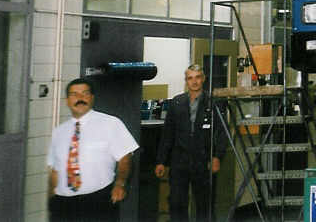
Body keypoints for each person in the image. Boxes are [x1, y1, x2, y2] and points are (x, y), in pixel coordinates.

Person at [47, 78, 139, 222]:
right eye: (74, 94)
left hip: (97, 201)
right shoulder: (58, 132)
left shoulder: (111, 123)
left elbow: (125, 157)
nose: (80, 98)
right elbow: (55, 170)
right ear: (67, 100)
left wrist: (120, 184)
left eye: (85, 93)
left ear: (92, 98)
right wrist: (51, 198)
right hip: (63, 204)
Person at [155, 64, 229, 221]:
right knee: (176, 203)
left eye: (197, 77)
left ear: (203, 79)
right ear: (186, 81)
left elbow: (223, 132)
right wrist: (161, 161)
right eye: (190, 78)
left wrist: (217, 157)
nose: (194, 81)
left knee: (204, 206)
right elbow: (168, 134)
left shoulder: (213, 103)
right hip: (179, 161)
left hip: (203, 160)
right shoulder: (177, 103)